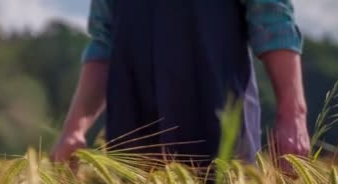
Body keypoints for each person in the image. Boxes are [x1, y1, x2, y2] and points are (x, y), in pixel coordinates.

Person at [50, 0, 310, 173]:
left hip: (219, 125)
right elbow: (104, 41)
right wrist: (74, 129)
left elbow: (272, 19)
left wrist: (293, 115)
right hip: (132, 136)